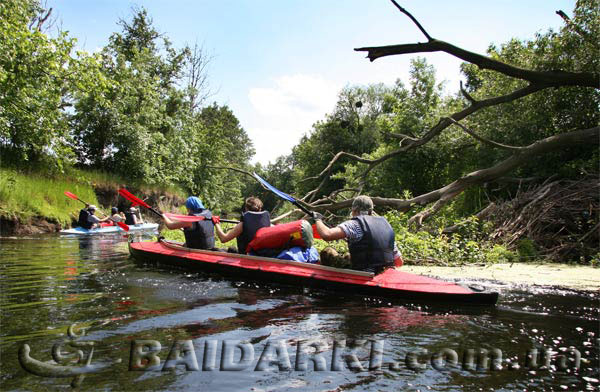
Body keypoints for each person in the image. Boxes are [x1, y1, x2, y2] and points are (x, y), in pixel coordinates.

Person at [312, 195, 403, 274]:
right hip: (383, 271)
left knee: (327, 252)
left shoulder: (354, 224)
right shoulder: (385, 226)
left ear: (354, 210)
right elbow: (399, 262)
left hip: (363, 273)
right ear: (371, 211)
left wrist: (318, 219)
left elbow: (326, 235)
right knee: (348, 256)